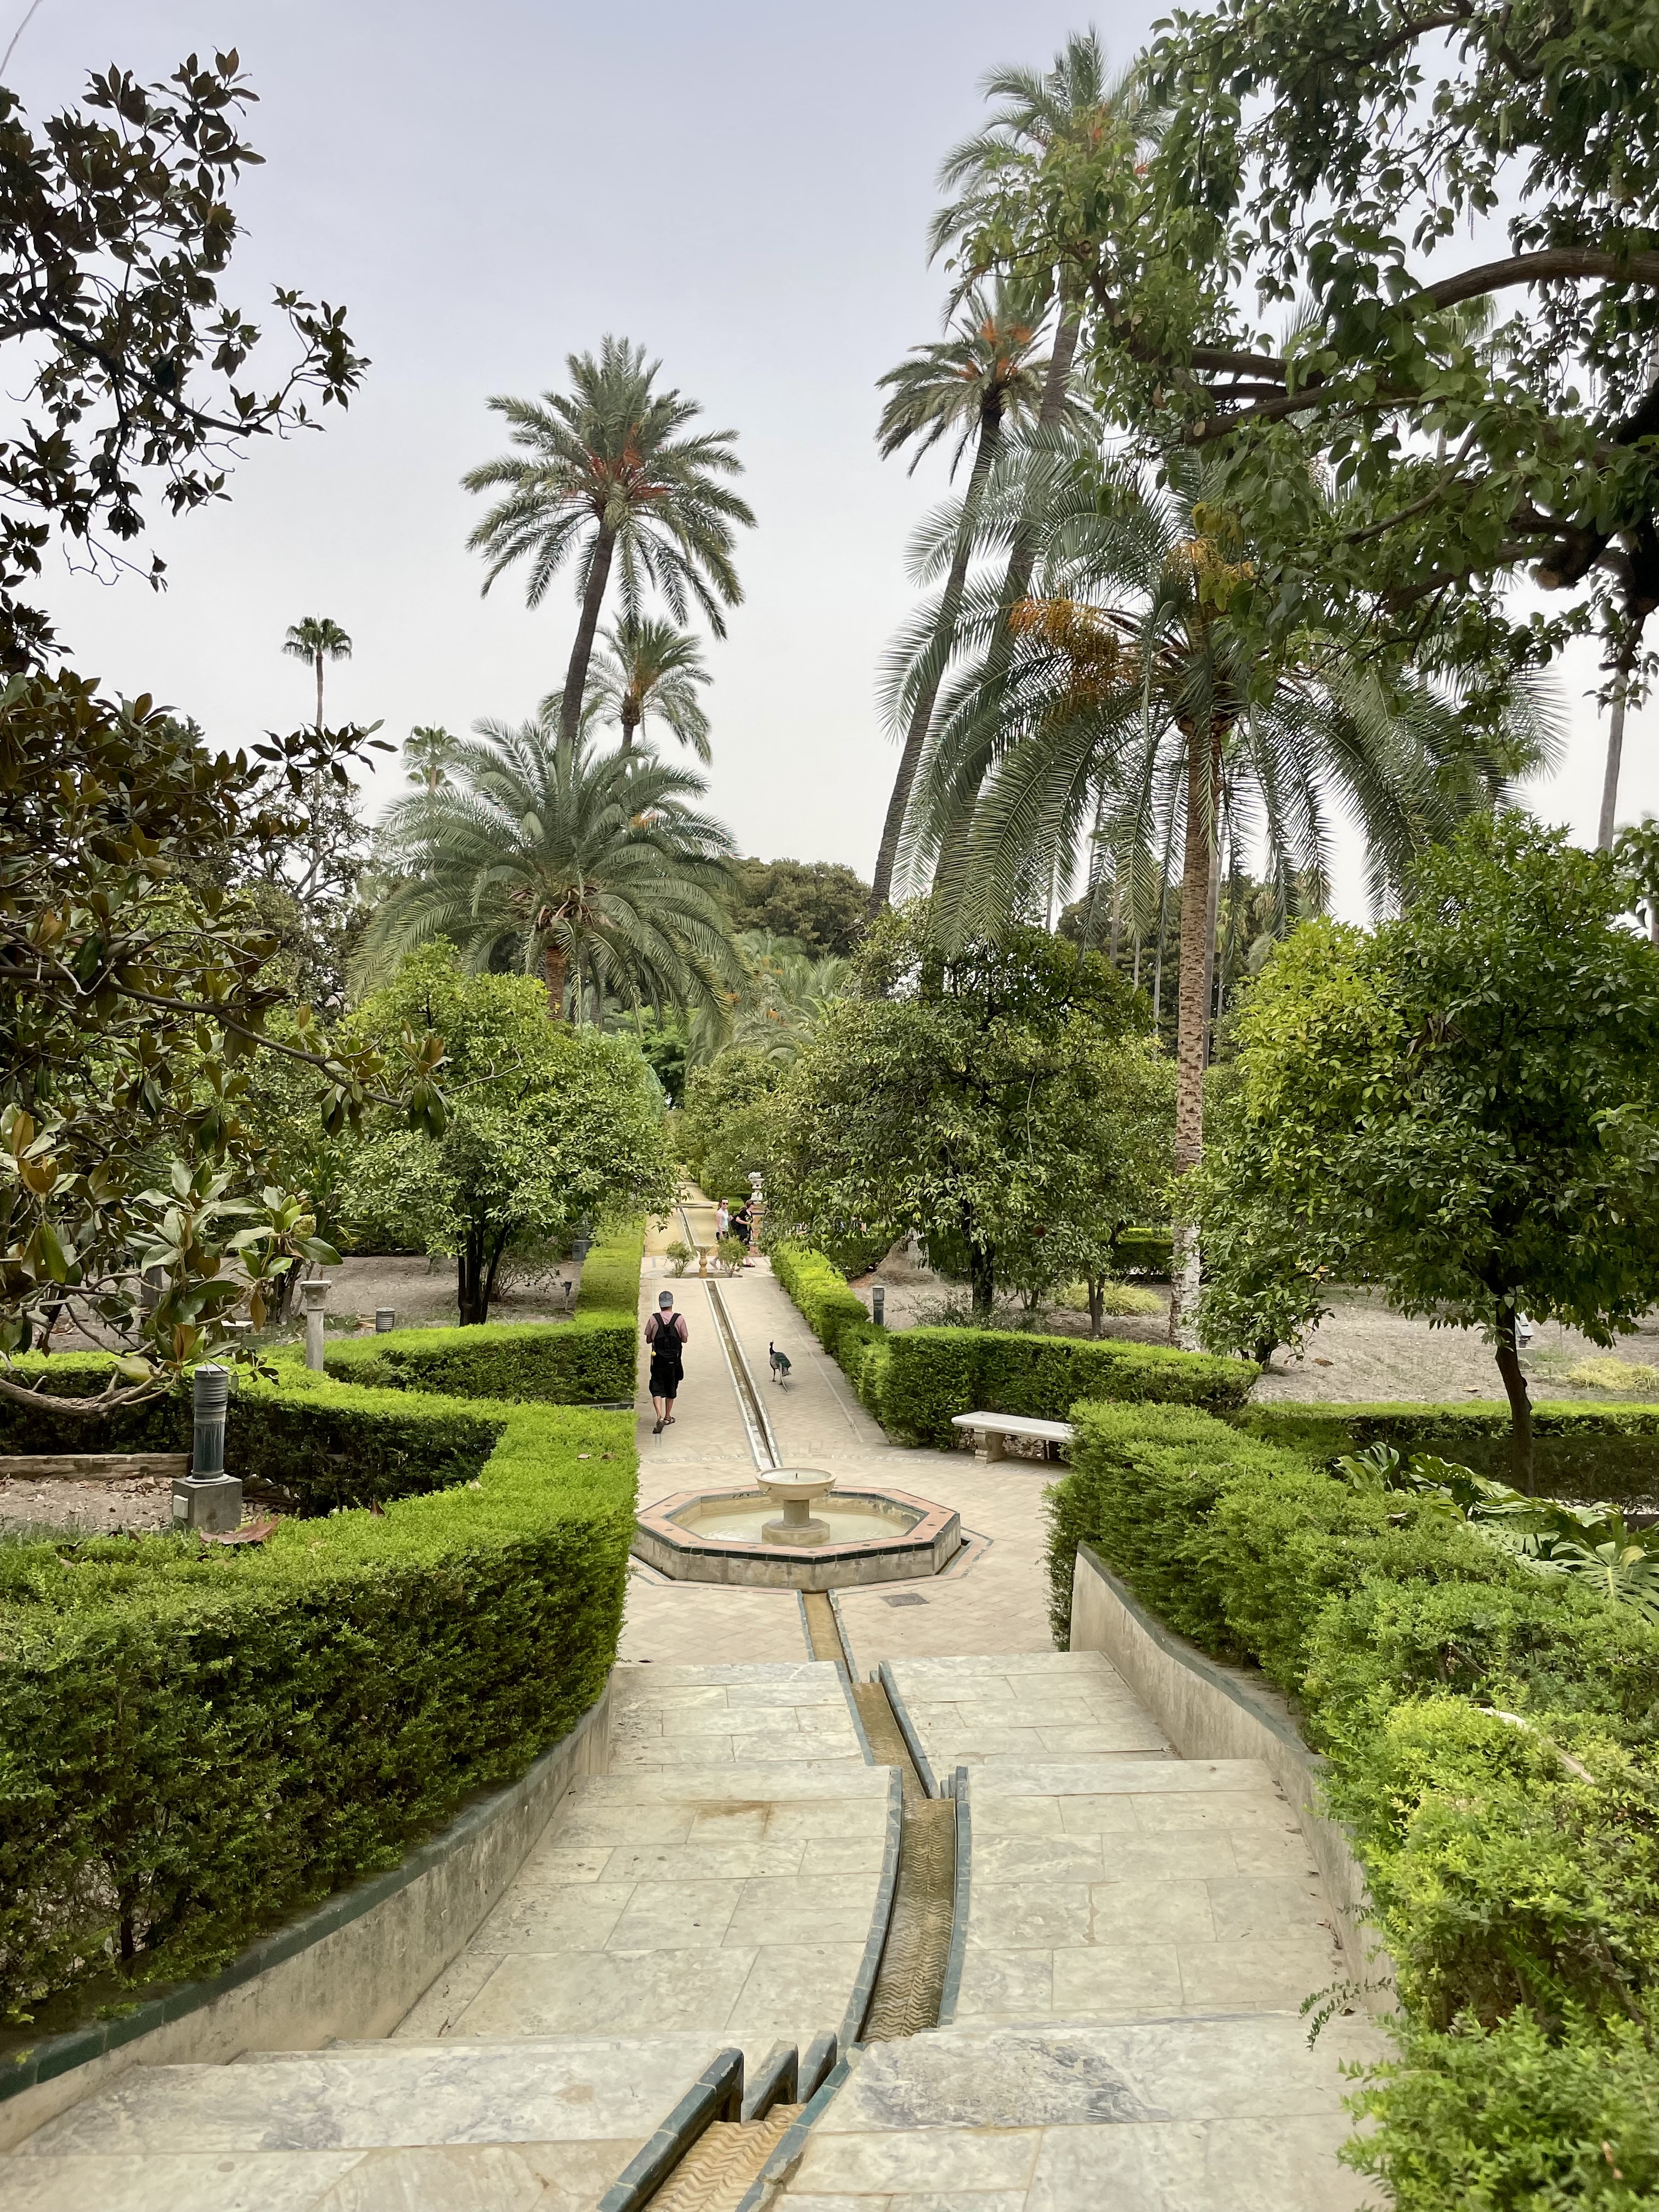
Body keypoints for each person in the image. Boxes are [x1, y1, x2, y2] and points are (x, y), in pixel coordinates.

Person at [645, 1289, 688, 1435]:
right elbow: (685, 1339)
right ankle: (668, 1416)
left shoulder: (653, 1319)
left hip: (657, 1360)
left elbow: (648, 1339)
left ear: (660, 1304)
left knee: (656, 1386)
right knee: (672, 1386)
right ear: (671, 1304)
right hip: (673, 1361)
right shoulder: (679, 1319)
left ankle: (660, 1417)